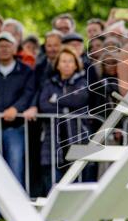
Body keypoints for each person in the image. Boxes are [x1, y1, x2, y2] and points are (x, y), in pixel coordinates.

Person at [0, 31, 38, 216]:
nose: (4, 49)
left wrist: (16, 108)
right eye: (0, 46)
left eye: (7, 46)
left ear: (14, 48)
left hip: (14, 128)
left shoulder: (26, 71)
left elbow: (29, 93)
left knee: (15, 168)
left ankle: (15, 212)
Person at [38, 48, 91, 193]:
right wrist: (66, 109)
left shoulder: (82, 82)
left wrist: (55, 99)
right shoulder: (49, 84)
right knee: (53, 181)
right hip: (52, 138)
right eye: (63, 61)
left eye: (70, 61)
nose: (67, 64)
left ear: (76, 65)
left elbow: (79, 100)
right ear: (57, 65)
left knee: (77, 179)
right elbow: (43, 105)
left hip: (77, 137)